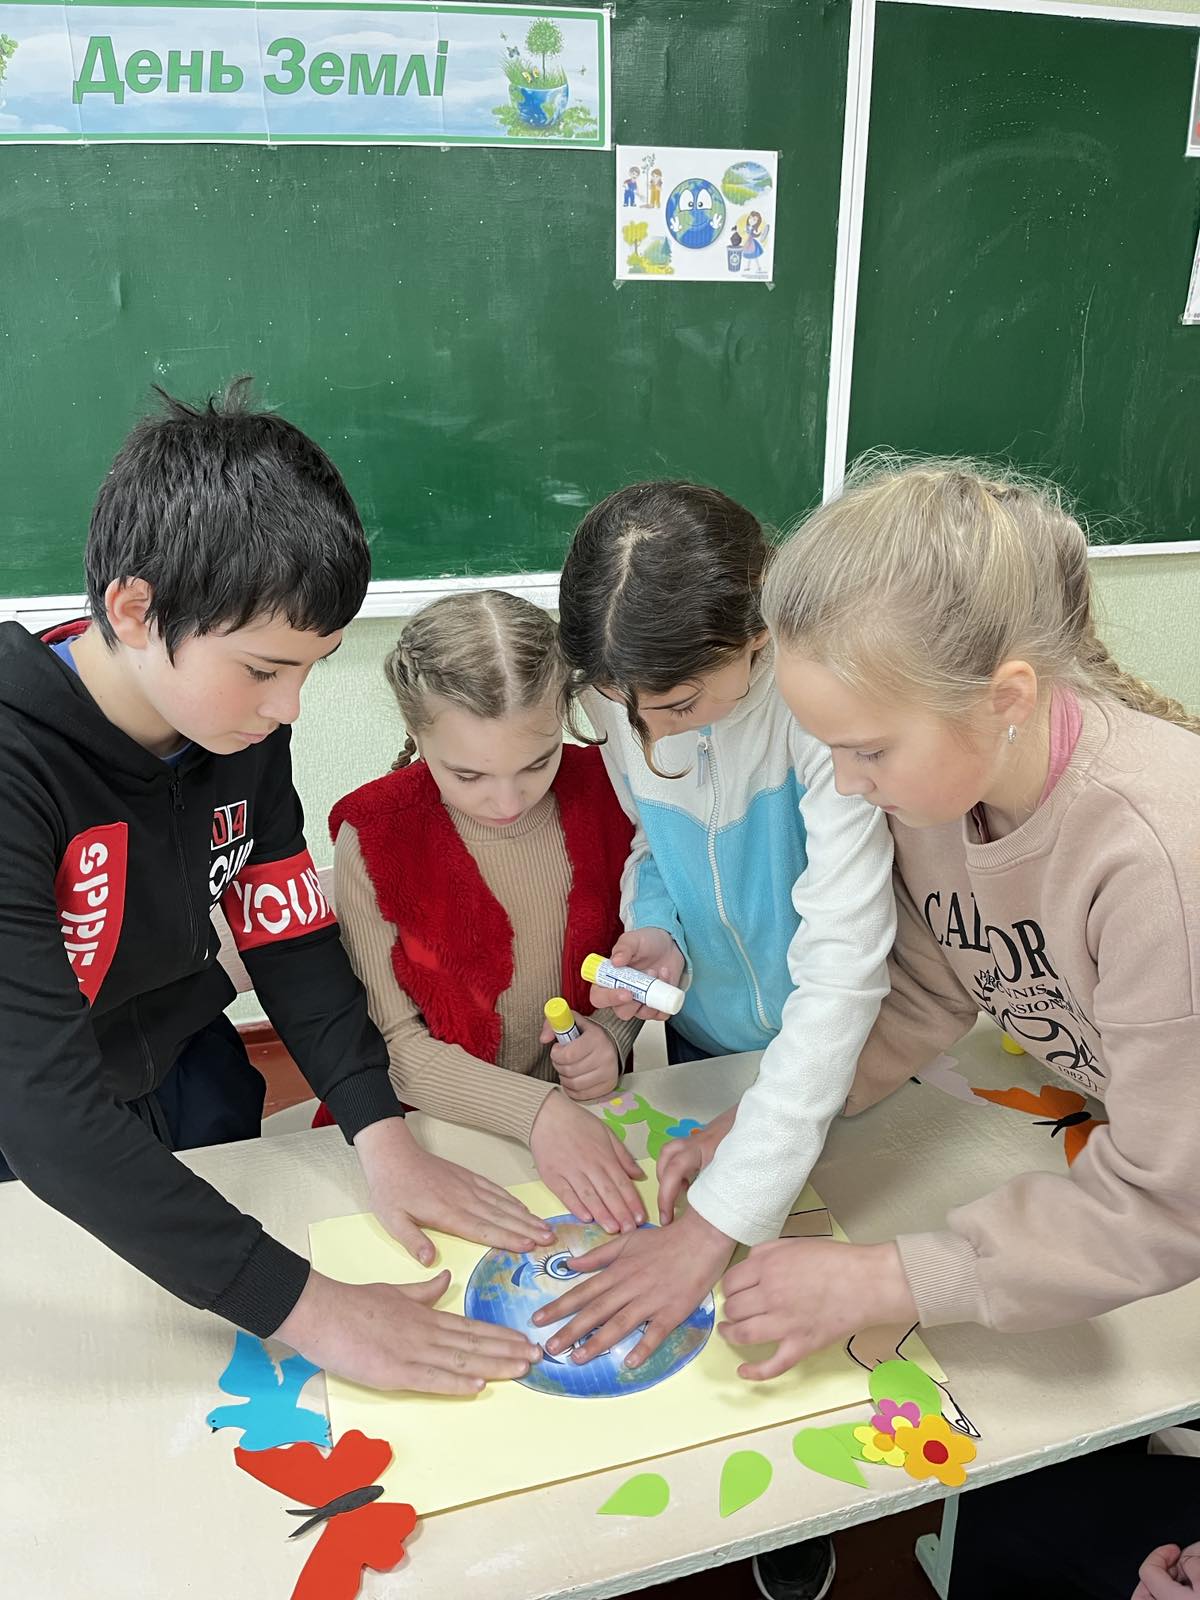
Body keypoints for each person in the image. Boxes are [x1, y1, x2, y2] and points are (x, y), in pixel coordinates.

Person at [0, 381, 545, 1396]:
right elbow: (43, 1114)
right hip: (34, 1128)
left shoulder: (236, 726)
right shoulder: (16, 767)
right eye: (263, 669)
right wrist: (315, 1308)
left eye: (312, 667)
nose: (289, 706)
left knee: (245, 1377)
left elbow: (284, 928)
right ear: (134, 609)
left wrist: (378, 1129)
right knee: (104, 1386)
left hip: (187, 1064)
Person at [719, 458, 1200, 1389]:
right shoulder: (941, 791)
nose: (848, 785)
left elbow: (1170, 1199)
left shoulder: (1161, 861)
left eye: (869, 751)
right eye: (830, 751)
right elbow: (927, 986)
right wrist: (768, 1129)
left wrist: (885, 1280)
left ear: (1005, 698)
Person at [546, 480, 896, 1600]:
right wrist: (655, 921)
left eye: (680, 703)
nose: (648, 730)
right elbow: (654, 841)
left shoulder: (819, 710)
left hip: (840, 1056)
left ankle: (793, 1511)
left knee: (807, 1301)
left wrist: (709, 1228)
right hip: (711, 1048)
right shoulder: (627, 692)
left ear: (758, 637)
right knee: (735, 1279)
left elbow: (844, 972)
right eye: (623, 704)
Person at [331, 590, 646, 1234]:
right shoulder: (374, 835)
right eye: (469, 776)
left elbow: (641, 955)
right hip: (435, 1134)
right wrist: (538, 1113)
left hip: (586, 1116)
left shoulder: (610, 792)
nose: (508, 802)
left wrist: (612, 1038)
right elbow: (392, 1046)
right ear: (417, 734)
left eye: (537, 763)